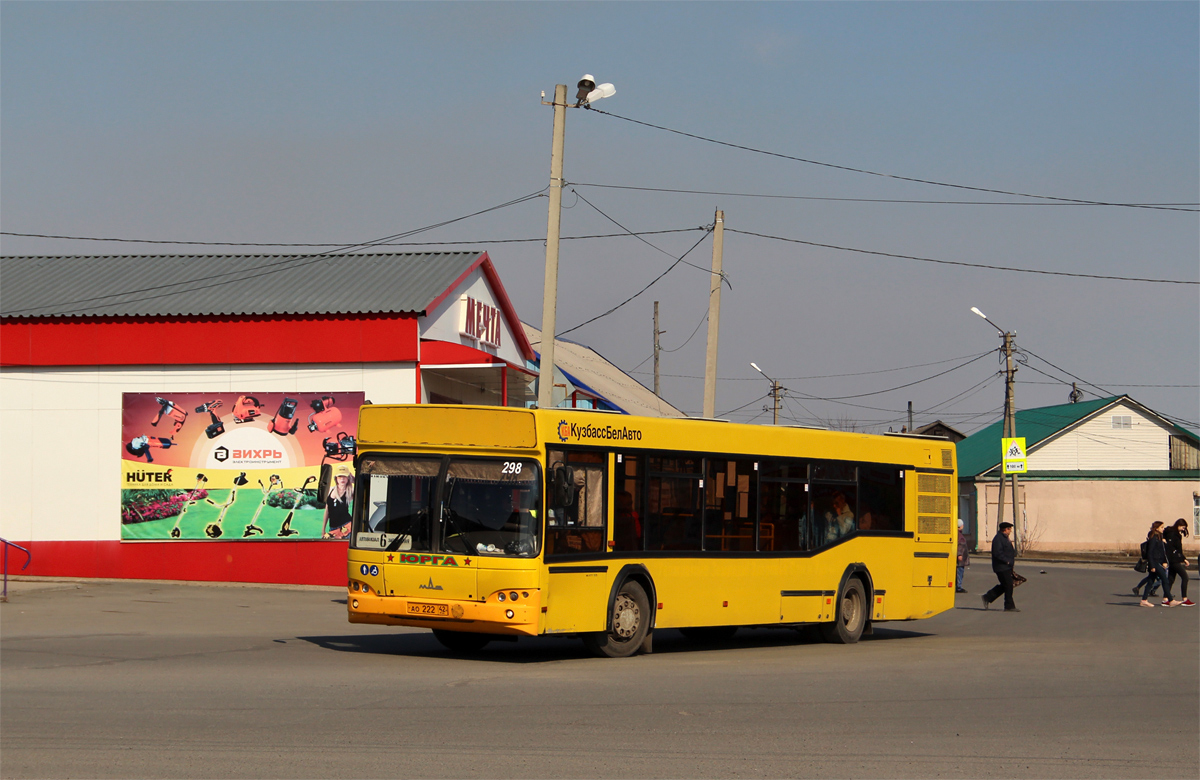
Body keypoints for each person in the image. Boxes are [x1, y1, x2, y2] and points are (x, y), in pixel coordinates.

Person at [1140, 521, 1179, 607]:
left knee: (1150, 581)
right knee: (1165, 580)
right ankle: (1170, 600)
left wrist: (1164, 561)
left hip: (1158, 562)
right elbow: (1150, 553)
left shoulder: (1159, 538)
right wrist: (1152, 566)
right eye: (1162, 527)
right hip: (1154, 562)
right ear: (1157, 528)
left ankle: (1144, 600)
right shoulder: (1153, 538)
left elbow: (1161, 552)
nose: (1163, 528)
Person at [981, 522, 1019, 612]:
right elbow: (997, 553)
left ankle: (988, 597)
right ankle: (1009, 606)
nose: (1010, 531)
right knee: (1008, 585)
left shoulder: (1004, 538)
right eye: (1009, 529)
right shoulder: (998, 539)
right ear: (1005, 529)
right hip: (1001, 567)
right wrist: (1007, 561)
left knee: (1006, 585)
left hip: (1006, 566)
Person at [1164, 518, 1193, 607]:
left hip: (1175, 559)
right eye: (1183, 527)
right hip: (1173, 560)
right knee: (1185, 577)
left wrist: (1183, 559)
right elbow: (1172, 548)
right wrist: (1181, 558)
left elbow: (1178, 549)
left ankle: (1165, 599)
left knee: (1171, 579)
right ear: (1179, 525)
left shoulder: (1174, 534)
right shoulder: (1173, 534)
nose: (1183, 529)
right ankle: (1184, 598)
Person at [322, 465, 354, 539]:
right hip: (333, 528)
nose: (342, 479)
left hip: (346, 527)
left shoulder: (350, 491)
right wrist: (323, 529)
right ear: (336, 478)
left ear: (348, 478)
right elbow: (327, 511)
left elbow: (364, 489)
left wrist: (354, 480)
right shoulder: (331, 490)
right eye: (339, 476)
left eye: (344, 476)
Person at [955, 518, 970, 593]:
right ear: (961, 526)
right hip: (960, 560)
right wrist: (959, 554)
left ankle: (957, 586)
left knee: (958, 572)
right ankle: (958, 587)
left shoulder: (956, 534)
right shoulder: (959, 535)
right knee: (959, 572)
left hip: (959, 559)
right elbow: (960, 546)